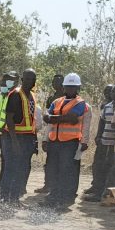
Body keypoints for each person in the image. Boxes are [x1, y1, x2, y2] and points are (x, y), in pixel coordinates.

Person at [42, 73, 88, 210]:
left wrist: (53, 118)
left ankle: (61, 198)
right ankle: (53, 197)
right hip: (54, 141)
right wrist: (58, 118)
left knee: (65, 171)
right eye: (68, 87)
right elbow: (46, 117)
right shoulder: (57, 101)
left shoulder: (80, 103)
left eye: (73, 87)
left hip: (69, 142)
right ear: (64, 87)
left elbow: (73, 118)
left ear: (78, 87)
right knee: (53, 170)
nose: (70, 89)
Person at [0, 69, 39, 206]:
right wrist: (15, 142)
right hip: (13, 138)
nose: (30, 82)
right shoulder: (15, 94)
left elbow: (32, 120)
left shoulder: (33, 96)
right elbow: (9, 119)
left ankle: (15, 199)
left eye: (32, 79)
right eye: (27, 79)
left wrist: (34, 141)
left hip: (27, 138)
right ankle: (5, 199)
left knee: (21, 170)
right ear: (22, 80)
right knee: (11, 169)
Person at [83, 85, 115, 201]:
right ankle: (98, 192)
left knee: (112, 170)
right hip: (104, 141)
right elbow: (102, 121)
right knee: (101, 167)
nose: (114, 94)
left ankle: (107, 194)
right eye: (113, 92)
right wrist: (98, 136)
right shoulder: (107, 106)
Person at [35, 74, 67, 194]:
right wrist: (45, 138)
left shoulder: (67, 97)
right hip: (51, 132)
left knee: (61, 163)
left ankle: (57, 188)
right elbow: (47, 118)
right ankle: (48, 185)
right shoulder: (51, 98)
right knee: (50, 163)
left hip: (63, 135)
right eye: (53, 81)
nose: (55, 84)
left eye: (58, 81)